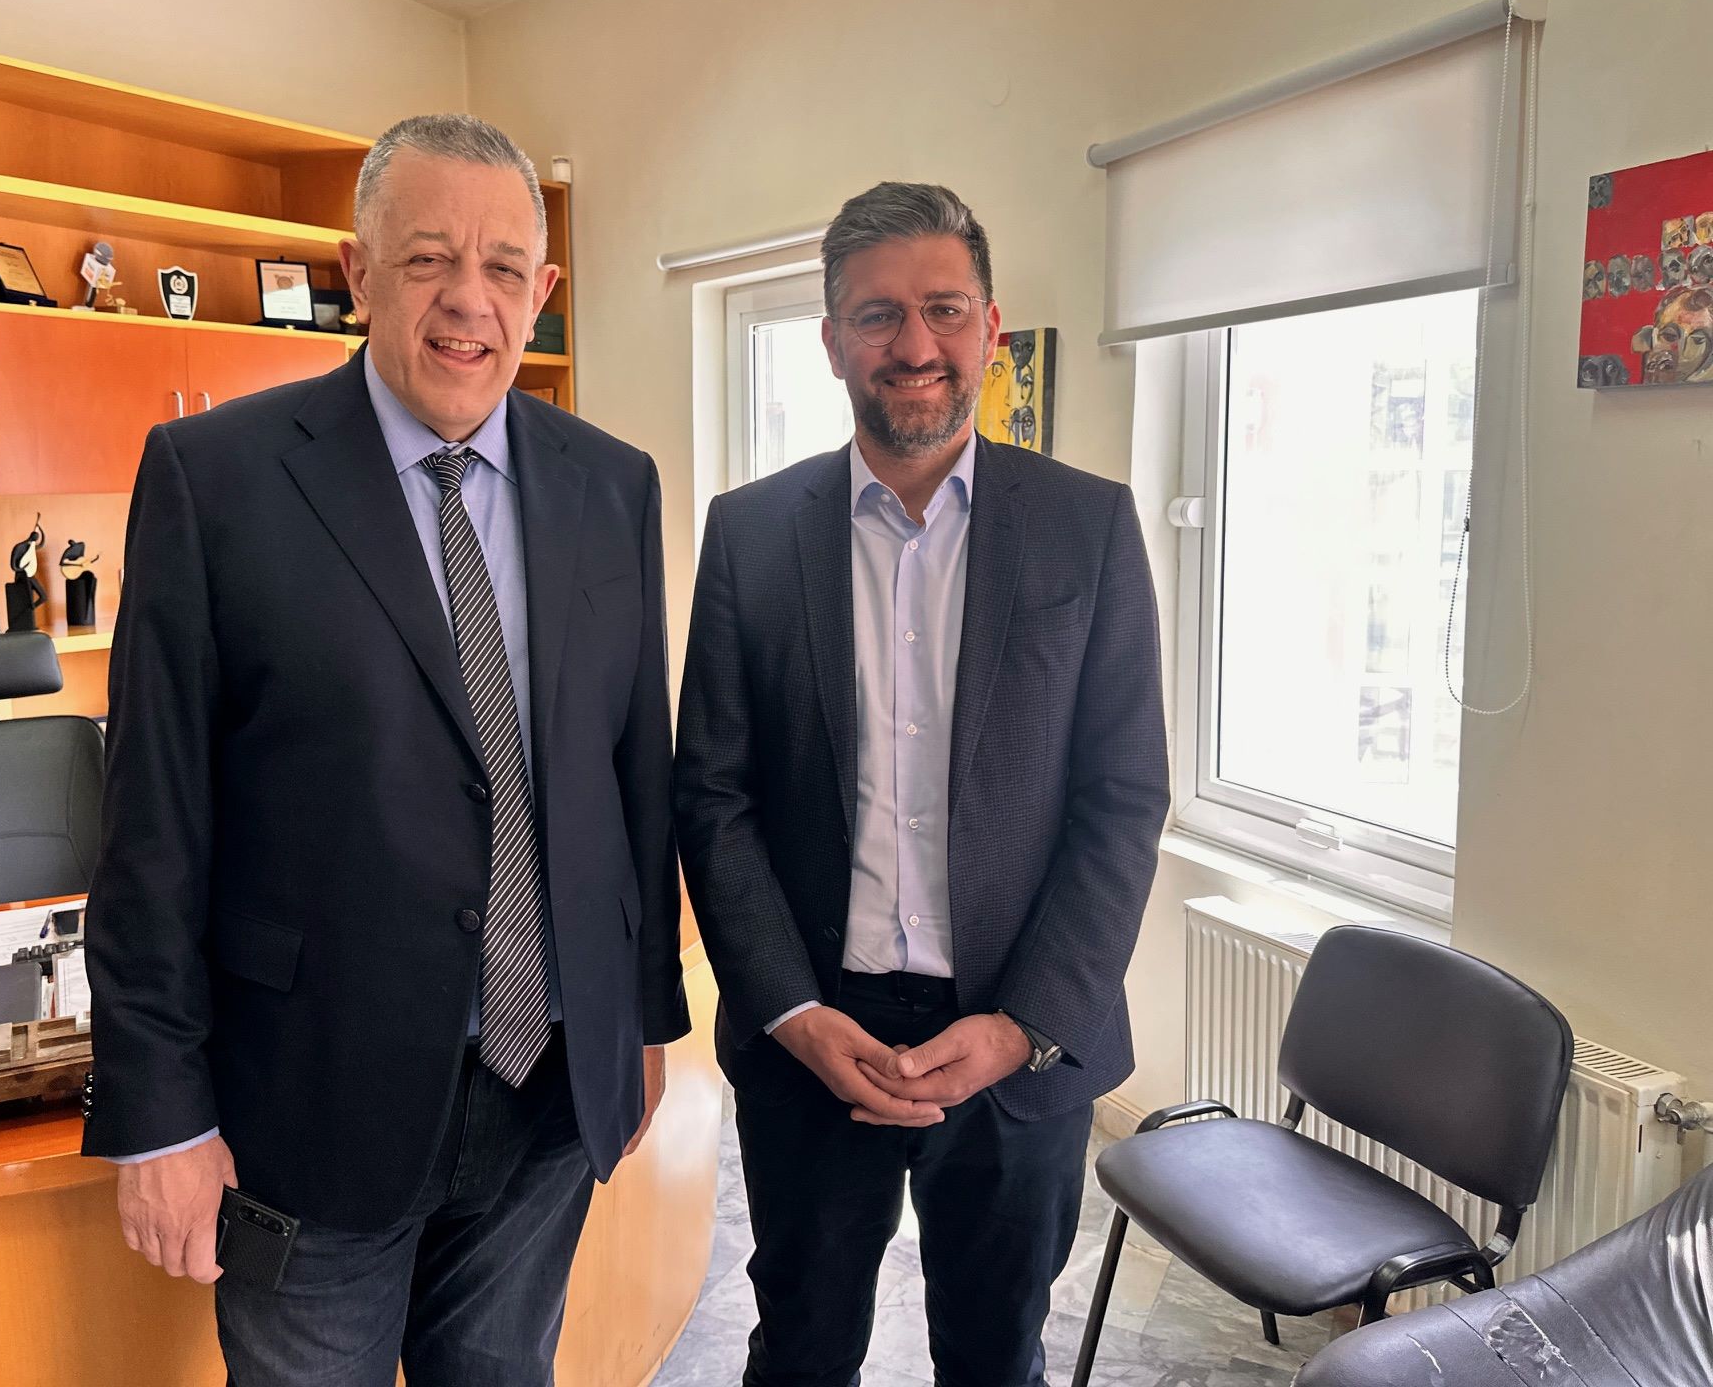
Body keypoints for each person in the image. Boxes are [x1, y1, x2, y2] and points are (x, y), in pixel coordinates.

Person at [83, 113, 689, 1386]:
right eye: (427, 259)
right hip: (310, 1103)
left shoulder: (612, 483)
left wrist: (641, 1017)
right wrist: (158, 1112)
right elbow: (153, 824)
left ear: (543, 289)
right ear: (356, 273)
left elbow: (633, 778)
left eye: (504, 267)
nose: (470, 300)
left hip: (545, 1093)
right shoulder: (215, 478)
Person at [675, 181, 1168, 1387]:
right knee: (801, 1346)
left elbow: (1121, 800)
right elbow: (715, 797)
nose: (915, 345)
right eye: (878, 314)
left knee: (996, 1358)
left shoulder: (1089, 527)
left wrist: (1025, 1026)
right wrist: (789, 1011)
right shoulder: (749, 534)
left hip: (1016, 1044)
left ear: (990, 327)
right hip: (814, 1036)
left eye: (944, 309)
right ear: (831, 339)